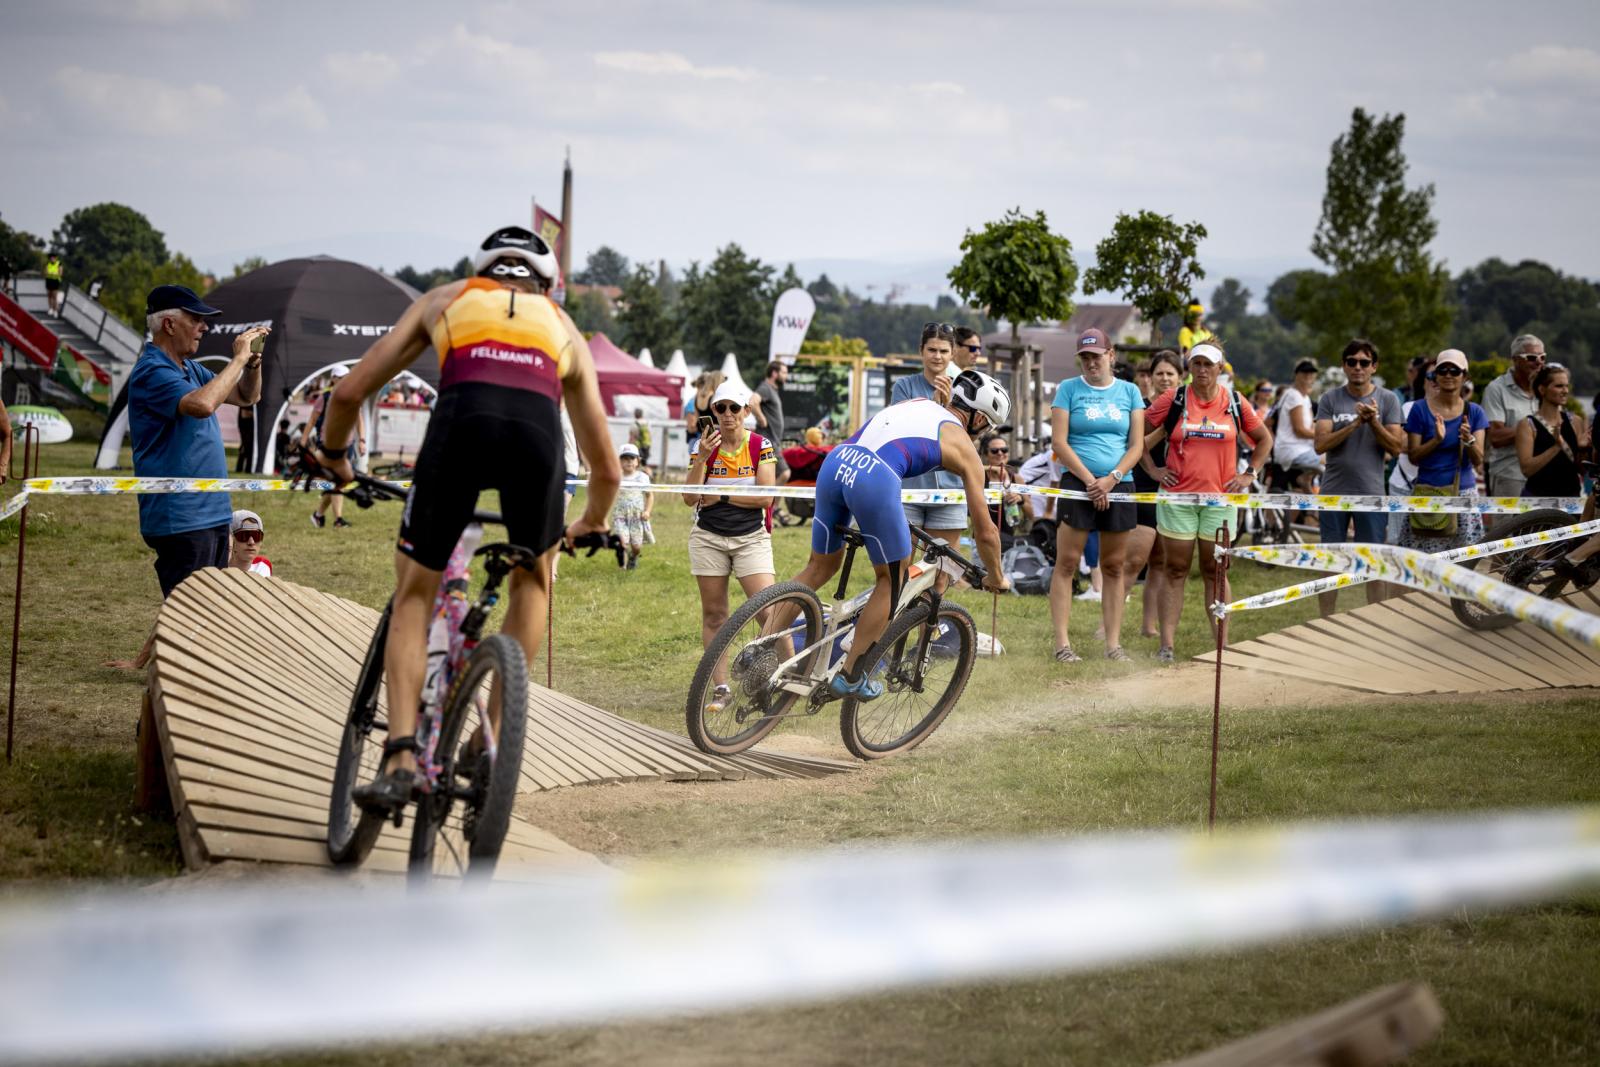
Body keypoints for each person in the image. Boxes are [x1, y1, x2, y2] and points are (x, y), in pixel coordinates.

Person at [312, 224, 618, 812]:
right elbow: (606, 467)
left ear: (481, 270)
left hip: (461, 425)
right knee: (533, 579)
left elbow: (348, 394)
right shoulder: (562, 326)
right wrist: (592, 522)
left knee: (415, 592)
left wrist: (332, 456)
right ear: (546, 284)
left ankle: (401, 758)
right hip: (536, 439)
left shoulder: (446, 298)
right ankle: (492, 737)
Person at [777, 370, 1010, 701]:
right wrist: (996, 576)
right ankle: (851, 675)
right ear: (978, 418)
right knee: (893, 579)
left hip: (836, 463)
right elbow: (985, 531)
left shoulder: (917, 402)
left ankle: (761, 646)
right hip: (874, 478)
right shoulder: (966, 449)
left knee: (819, 566)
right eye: (986, 427)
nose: (983, 435)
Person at [131, 285, 268, 599]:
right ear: (169, 325)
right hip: (183, 518)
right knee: (191, 616)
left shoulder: (189, 369)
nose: (204, 327)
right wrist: (238, 359)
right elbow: (203, 404)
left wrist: (252, 364)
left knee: (205, 614)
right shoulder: (152, 370)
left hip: (211, 514)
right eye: (196, 320)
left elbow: (247, 396)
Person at [1143, 340, 1272, 664]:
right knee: (1176, 569)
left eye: (1208, 364)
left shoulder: (1235, 402)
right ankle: (1166, 646)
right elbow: (1137, 436)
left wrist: (1249, 473)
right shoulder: (1174, 398)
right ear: (1189, 367)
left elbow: (1264, 439)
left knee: (1215, 571)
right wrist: (1152, 469)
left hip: (1221, 499)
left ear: (1219, 368)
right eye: (1196, 364)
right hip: (1178, 498)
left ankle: (1222, 648)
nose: (1202, 370)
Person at [1047, 327, 1146, 663]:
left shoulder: (1130, 391)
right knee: (1067, 563)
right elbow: (1059, 442)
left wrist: (1112, 479)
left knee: (1114, 566)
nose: (1091, 362)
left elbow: (1136, 445)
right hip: (1079, 483)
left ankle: (1113, 645)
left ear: (1111, 355)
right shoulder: (1068, 389)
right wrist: (1092, 482)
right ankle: (1062, 645)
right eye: (1085, 357)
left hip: (1120, 483)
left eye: (1097, 356)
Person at [684, 381, 778, 713]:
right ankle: (721, 688)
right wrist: (702, 459)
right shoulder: (703, 446)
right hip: (708, 537)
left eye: (734, 408)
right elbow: (689, 498)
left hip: (750, 537)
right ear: (713, 411)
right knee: (714, 615)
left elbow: (765, 498)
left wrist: (721, 496)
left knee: (770, 611)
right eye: (720, 408)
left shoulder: (760, 445)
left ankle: (790, 675)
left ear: (746, 411)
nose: (727, 414)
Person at [1312, 339, 1405, 616]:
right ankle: (1326, 620)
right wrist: (1354, 424)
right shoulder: (1330, 399)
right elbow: (1320, 445)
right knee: (1330, 561)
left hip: (1371, 493)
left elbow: (1396, 447)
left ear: (1374, 366)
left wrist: (1373, 421)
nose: (1358, 367)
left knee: (1373, 562)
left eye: (1364, 362)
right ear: (1344, 366)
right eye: (1351, 362)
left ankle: (1374, 621)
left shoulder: (1388, 399)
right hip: (1334, 491)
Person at [890, 323, 967, 589]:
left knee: (941, 572)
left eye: (943, 351)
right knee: (899, 567)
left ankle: (928, 617)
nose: (937, 356)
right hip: (910, 488)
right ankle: (895, 614)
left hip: (950, 490)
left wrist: (949, 408)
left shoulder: (964, 390)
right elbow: (901, 433)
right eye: (932, 350)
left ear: (953, 353)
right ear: (921, 351)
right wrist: (934, 407)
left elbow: (966, 440)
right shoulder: (905, 386)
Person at [1401, 349, 1488, 552]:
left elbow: (1478, 459)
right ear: (1435, 376)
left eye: (1454, 371)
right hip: (1428, 492)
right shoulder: (1419, 409)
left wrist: (1469, 440)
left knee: (1464, 562)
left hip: (1463, 492)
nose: (1448, 375)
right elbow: (1413, 457)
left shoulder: (1474, 412)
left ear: (1465, 376)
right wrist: (1436, 441)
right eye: (1443, 370)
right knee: (1423, 562)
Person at [1133, 351, 1184, 638]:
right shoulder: (1140, 408)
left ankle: (1148, 625)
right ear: (1150, 377)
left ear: (1180, 378)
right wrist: (1166, 427)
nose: (1165, 379)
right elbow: (1136, 445)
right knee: (1133, 561)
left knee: (1160, 563)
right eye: (1159, 373)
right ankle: (1106, 626)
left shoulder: (1186, 406)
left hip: (1172, 491)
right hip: (1141, 487)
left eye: (1170, 374)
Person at [1482, 334, 1544, 502]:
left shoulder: (1546, 388)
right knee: (1509, 520)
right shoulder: (1496, 389)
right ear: (1516, 360)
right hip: (1509, 475)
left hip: (1543, 475)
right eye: (1532, 357)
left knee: (1544, 520)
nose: (1539, 362)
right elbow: (1496, 437)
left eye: (1542, 357)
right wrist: (1534, 427)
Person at [302, 367, 366, 528]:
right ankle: (337, 519)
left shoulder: (352, 396)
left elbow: (359, 419)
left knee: (339, 482)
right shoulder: (324, 398)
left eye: (346, 377)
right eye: (341, 377)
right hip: (327, 446)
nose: (345, 380)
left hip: (347, 445)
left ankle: (319, 515)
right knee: (338, 481)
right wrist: (302, 443)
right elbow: (311, 421)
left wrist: (362, 440)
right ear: (333, 379)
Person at [1516, 363, 1588, 499]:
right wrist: (1556, 447)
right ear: (1542, 389)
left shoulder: (1575, 421)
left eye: (1566, 386)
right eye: (1559, 386)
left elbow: (1582, 470)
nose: (1565, 391)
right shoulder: (1528, 425)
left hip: (1571, 499)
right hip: (1537, 499)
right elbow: (1527, 470)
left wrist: (1584, 450)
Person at [1273, 360, 1321, 482]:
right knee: (1334, 459)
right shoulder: (1293, 395)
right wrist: (1324, 436)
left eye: (1311, 372)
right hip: (1292, 450)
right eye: (1304, 372)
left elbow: (1312, 426)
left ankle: (1305, 482)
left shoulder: (1305, 398)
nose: (1308, 375)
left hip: (1300, 448)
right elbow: (1299, 431)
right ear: (1296, 375)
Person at [612, 443, 654, 570]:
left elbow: (649, 496)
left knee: (636, 546)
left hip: (637, 516)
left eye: (632, 458)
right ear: (619, 461)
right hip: (620, 515)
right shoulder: (616, 477)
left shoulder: (643, 478)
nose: (629, 461)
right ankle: (622, 567)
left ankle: (633, 556)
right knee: (622, 542)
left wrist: (647, 511)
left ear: (637, 461)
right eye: (625, 458)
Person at [979, 432, 1022, 544]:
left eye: (1004, 450)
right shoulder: (979, 476)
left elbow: (1030, 511)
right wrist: (994, 469)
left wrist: (1019, 498)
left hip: (1009, 538)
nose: (1000, 453)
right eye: (994, 451)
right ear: (985, 454)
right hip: (983, 537)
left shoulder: (1016, 478)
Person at [753, 360, 789, 478]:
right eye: (784, 372)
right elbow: (752, 402)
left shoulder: (772, 390)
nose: (786, 376)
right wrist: (761, 418)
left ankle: (769, 491)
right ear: (774, 373)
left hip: (772, 441)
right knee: (784, 473)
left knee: (769, 477)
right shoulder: (766, 388)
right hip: (768, 440)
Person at [228, 510, 272, 577]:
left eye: (256, 536)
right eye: (244, 536)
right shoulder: (217, 568)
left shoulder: (263, 566)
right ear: (230, 539)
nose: (251, 542)